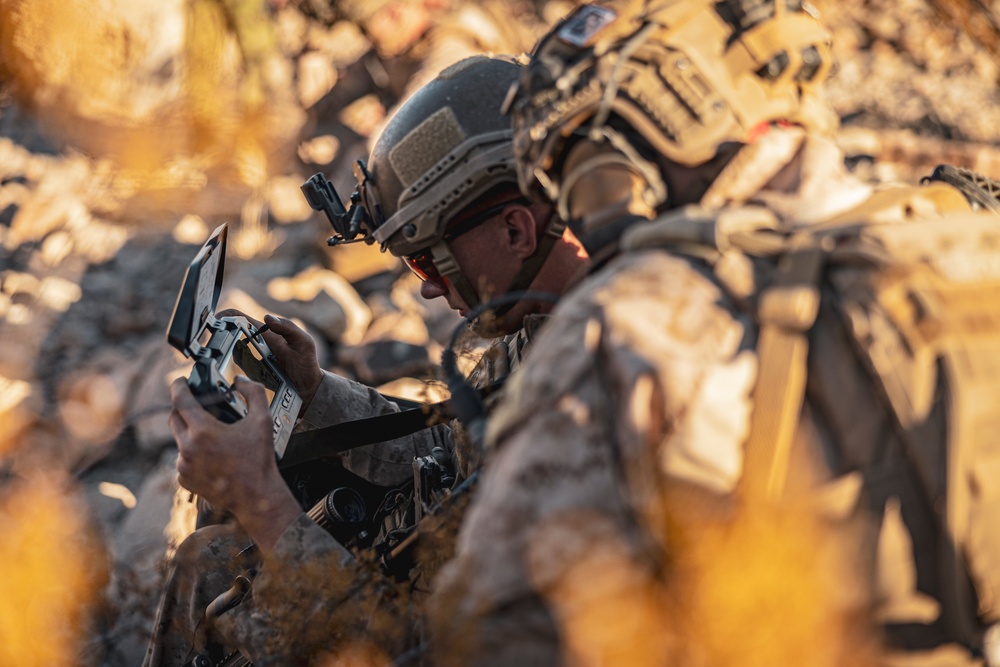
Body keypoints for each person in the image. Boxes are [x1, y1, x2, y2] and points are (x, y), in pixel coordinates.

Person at [430, 2, 1000, 666]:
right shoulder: (970, 243)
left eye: (574, 157)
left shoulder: (635, 319)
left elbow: (492, 632)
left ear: (635, 142)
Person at [143, 55, 587, 667]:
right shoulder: (542, 327)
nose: (429, 289)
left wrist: (260, 498)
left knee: (220, 579)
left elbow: (405, 648)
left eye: (429, 262)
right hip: (429, 572)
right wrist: (318, 393)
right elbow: (454, 457)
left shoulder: (585, 408)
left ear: (516, 231)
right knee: (213, 559)